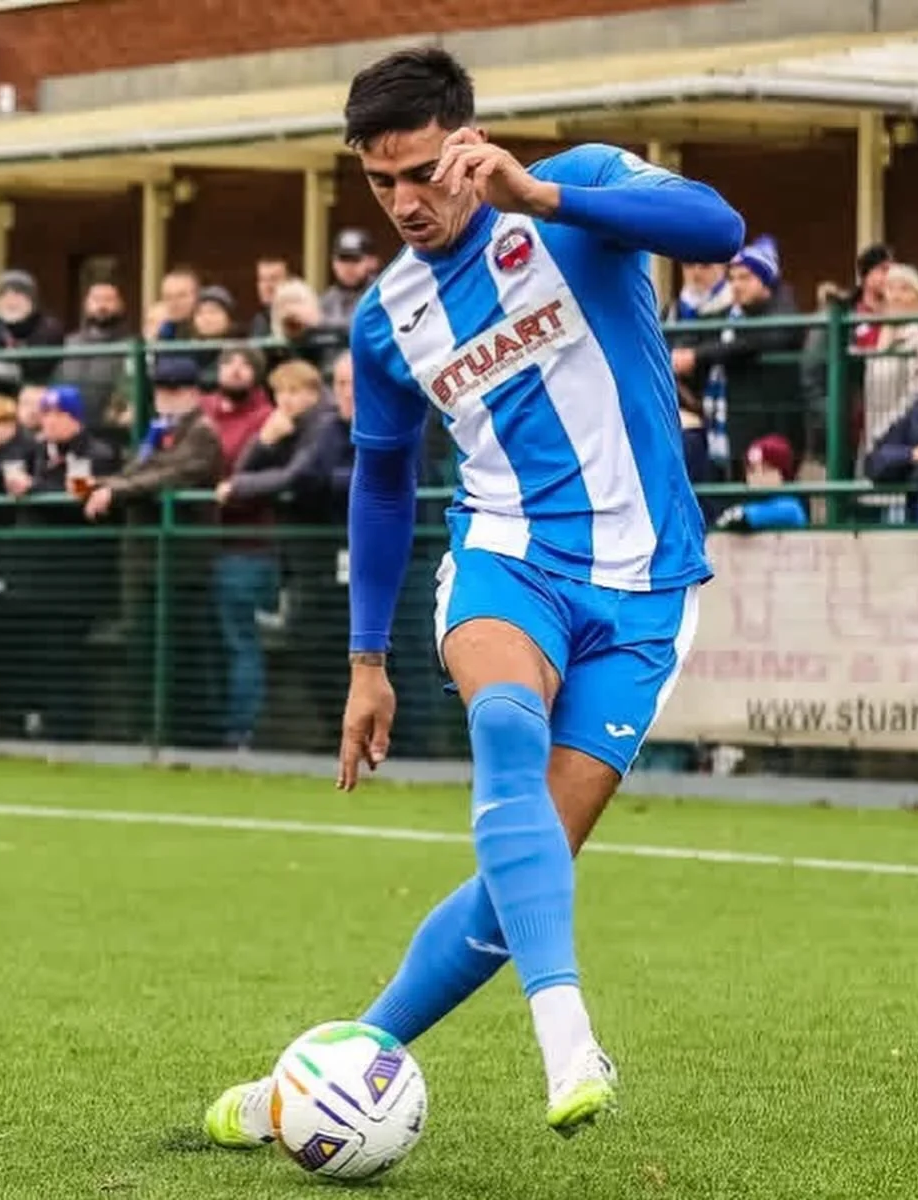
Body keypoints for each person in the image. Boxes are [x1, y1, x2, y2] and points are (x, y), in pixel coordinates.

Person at [204, 46, 743, 1146]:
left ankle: (299, 1092)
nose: (403, 203)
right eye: (378, 181)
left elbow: (722, 230)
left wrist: (538, 193)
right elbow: (386, 480)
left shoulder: (577, 196)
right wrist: (366, 660)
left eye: (420, 174)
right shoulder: (384, 318)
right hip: (506, 556)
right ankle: (568, 1039)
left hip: (648, 589)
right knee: (503, 721)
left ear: (467, 142)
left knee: (517, 881)